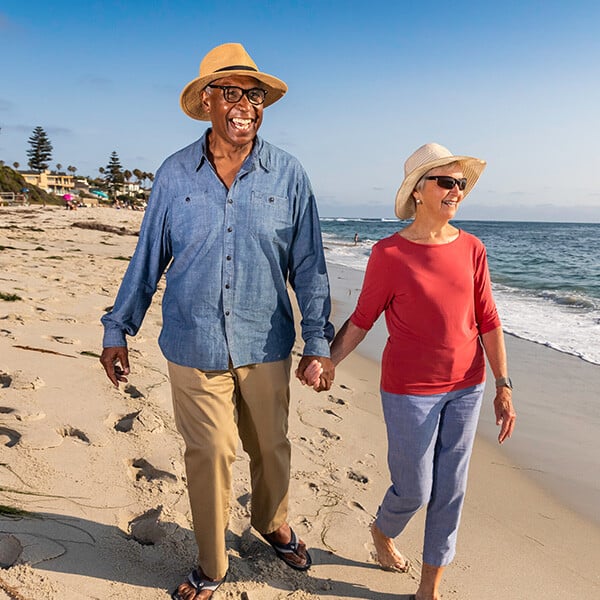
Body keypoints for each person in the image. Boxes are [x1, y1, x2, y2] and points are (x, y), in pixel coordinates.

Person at [100, 43, 334, 600]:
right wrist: (118, 328)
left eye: (254, 95)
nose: (245, 105)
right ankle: (211, 563)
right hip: (193, 339)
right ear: (207, 101)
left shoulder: (290, 175)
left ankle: (271, 522)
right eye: (231, 93)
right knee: (209, 452)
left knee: (271, 447)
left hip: (267, 339)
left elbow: (310, 266)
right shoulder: (174, 173)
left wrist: (318, 342)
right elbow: (147, 258)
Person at [303, 143, 516, 600]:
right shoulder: (389, 254)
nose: (456, 191)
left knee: (451, 490)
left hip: (466, 386)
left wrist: (503, 384)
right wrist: (329, 361)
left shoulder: (473, 249)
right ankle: (383, 529)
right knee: (415, 488)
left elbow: (489, 321)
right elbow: (362, 318)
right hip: (408, 391)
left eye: (460, 184)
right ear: (419, 191)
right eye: (446, 182)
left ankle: (428, 590)